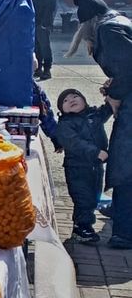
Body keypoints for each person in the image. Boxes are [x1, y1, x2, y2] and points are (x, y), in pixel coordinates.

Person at [74, 0, 132, 249]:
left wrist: (115, 94)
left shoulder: (107, 29)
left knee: (125, 164)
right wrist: (114, 87)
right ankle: (121, 210)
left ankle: (125, 230)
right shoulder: (117, 20)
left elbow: (127, 69)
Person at [54, 87, 112, 245]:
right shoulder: (65, 124)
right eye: (65, 101)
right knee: (83, 198)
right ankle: (81, 227)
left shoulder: (93, 115)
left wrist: (110, 93)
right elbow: (74, 143)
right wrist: (95, 152)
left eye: (75, 96)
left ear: (84, 101)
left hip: (95, 167)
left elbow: (107, 110)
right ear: (62, 109)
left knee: (94, 197)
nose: (71, 100)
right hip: (77, 169)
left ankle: (83, 226)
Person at [30, 0, 58, 81]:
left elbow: (50, 9)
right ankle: (38, 68)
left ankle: (47, 69)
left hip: (43, 24)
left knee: (45, 47)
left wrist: (45, 23)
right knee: (37, 47)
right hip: (35, 22)